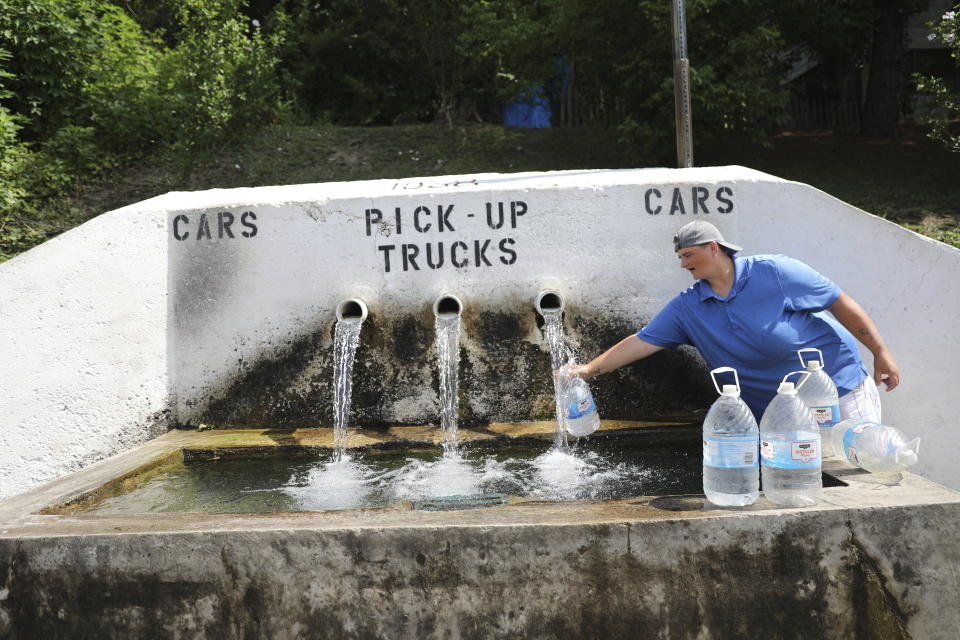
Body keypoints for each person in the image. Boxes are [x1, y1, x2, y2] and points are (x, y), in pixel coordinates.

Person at [570, 220, 899, 422]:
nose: (683, 265)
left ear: (713, 248)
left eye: (688, 255)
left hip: (840, 390)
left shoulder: (775, 272)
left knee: (858, 473)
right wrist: (587, 370)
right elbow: (640, 342)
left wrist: (880, 352)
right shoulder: (689, 308)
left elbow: (840, 303)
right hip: (779, 416)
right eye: (680, 258)